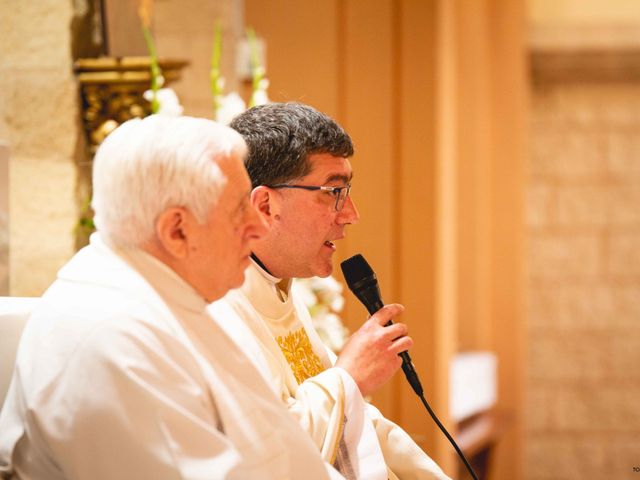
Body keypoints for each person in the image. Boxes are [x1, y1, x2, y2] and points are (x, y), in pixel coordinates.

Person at [0, 115, 344, 479]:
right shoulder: (115, 341)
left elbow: (275, 446)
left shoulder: (173, 296)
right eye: (239, 209)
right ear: (177, 230)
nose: (259, 225)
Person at [210, 103, 451, 480]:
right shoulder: (216, 307)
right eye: (333, 191)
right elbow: (264, 458)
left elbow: (359, 424)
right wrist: (349, 377)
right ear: (265, 204)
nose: (351, 213)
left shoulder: (277, 290)